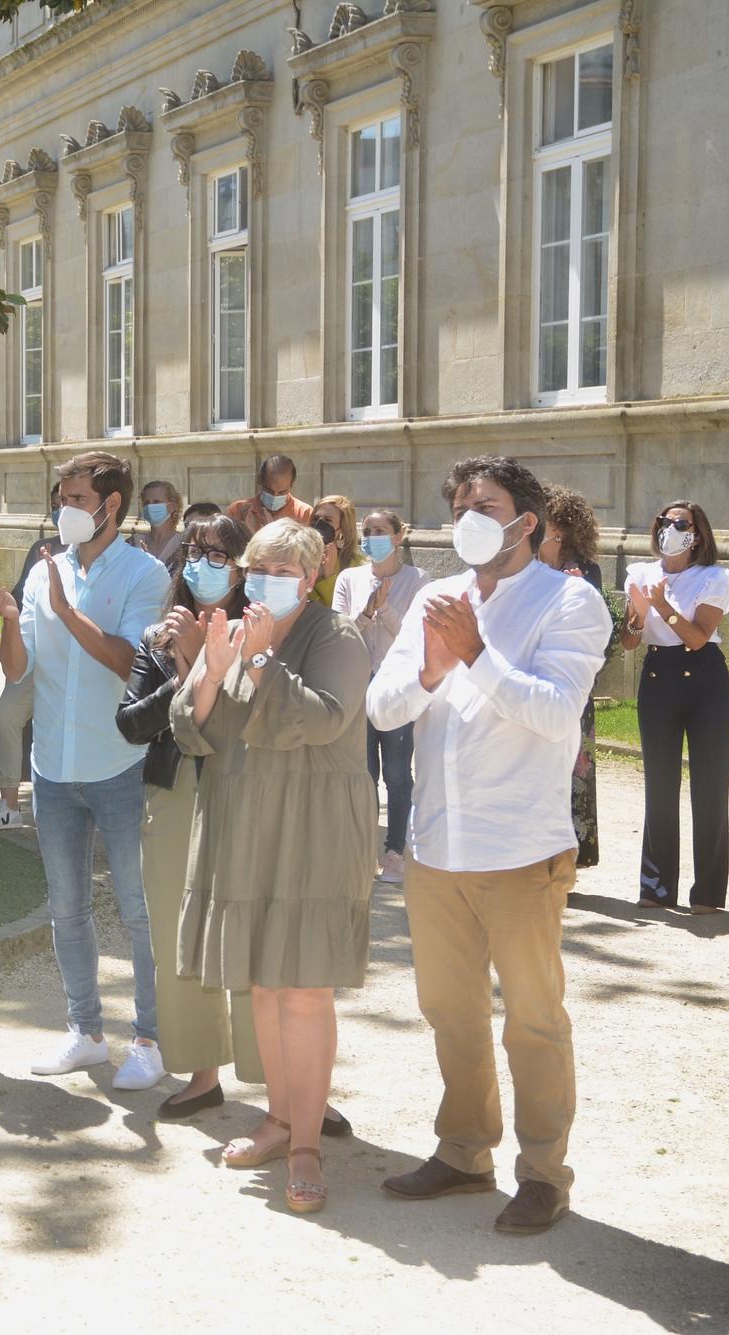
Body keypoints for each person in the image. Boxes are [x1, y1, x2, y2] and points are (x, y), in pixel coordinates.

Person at [369, 454, 611, 1236]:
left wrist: (475, 655)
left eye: (487, 502)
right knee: (450, 1010)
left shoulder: (570, 601)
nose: (470, 513)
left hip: (521, 851)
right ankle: (466, 1150)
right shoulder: (435, 597)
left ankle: (544, 1173)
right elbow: (382, 708)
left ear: (527, 521)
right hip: (437, 847)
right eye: (461, 502)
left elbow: (555, 713)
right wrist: (433, 672)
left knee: (534, 1018)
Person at [171, 519, 375, 1213]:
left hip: (314, 827)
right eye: (257, 564)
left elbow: (325, 718)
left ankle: (310, 1142)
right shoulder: (229, 627)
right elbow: (188, 721)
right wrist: (216, 667)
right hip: (242, 822)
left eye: (284, 566)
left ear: (312, 572)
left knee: (305, 987)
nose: (265, 576)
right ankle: (279, 1118)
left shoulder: (338, 637)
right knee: (260, 980)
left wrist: (259, 663)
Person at [0, 451, 172, 1089]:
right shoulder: (44, 572)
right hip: (53, 769)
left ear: (112, 506)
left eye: (77, 499)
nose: (65, 510)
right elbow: (17, 670)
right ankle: (86, 1032)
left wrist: (65, 609)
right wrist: (10, 620)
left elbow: (128, 662)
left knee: (139, 910)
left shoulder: (144, 574)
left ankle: (150, 1038)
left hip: (118, 764)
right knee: (67, 909)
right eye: (60, 498)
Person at [114, 514, 264, 1116]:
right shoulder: (159, 637)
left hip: (249, 791)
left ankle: (282, 1077)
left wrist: (211, 661)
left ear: (243, 567)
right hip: (175, 792)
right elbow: (129, 724)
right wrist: (183, 672)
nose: (204, 564)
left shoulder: (266, 631)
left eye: (219, 554)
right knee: (181, 930)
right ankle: (203, 1073)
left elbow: (262, 718)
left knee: (258, 930)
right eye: (195, 552)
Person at [622, 500, 729, 913]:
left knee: (708, 786)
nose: (668, 528)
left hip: (704, 679)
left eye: (679, 523)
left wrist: (664, 609)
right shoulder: (640, 572)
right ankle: (656, 887)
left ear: (697, 533)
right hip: (658, 676)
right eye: (663, 521)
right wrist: (636, 616)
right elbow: (630, 641)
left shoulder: (715, 577)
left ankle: (707, 893)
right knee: (659, 784)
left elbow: (699, 637)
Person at [332, 509, 428, 883]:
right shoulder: (349, 577)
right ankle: (363, 847)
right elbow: (338, 631)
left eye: (381, 531)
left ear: (398, 536)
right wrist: (365, 611)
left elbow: (413, 634)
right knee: (362, 771)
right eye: (367, 531)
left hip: (396, 686)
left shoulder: (418, 579)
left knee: (397, 771)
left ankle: (395, 850)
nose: (373, 537)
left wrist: (384, 608)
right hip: (357, 683)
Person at [0, 486, 64, 833]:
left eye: (72, 503)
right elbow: (20, 600)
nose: (62, 511)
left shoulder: (113, 555)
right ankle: (10, 806)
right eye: (56, 504)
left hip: (81, 662)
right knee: (5, 717)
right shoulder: (40, 551)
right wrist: (3, 606)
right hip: (35, 655)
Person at [538, 486, 605, 869]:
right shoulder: (525, 568)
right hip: (533, 687)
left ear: (559, 528)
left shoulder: (584, 571)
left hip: (571, 692)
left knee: (573, 774)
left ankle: (569, 859)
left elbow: (591, 632)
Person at [226, 455, 313, 535]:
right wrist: (243, 529)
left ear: (291, 485)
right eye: (269, 490)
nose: (275, 496)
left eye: (282, 492)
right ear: (260, 481)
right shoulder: (237, 510)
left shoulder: (304, 513)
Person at [309, 494, 365, 606]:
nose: (319, 524)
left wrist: (328, 574)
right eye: (316, 519)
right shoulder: (299, 557)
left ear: (343, 530)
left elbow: (342, 610)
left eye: (328, 520)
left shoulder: (357, 565)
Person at [136, 479, 186, 572]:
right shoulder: (134, 542)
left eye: (156, 502)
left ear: (172, 507)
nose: (150, 507)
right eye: (146, 503)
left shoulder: (183, 544)